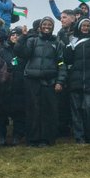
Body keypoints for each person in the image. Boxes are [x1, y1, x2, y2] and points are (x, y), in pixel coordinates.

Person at [16, 17, 66, 147]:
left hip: (49, 81)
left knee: (48, 111)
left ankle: (46, 139)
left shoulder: (58, 43)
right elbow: (21, 53)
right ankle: (32, 139)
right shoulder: (32, 40)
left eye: (50, 24)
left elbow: (61, 63)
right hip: (31, 80)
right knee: (33, 110)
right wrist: (23, 37)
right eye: (45, 24)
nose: (47, 26)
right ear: (40, 27)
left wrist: (60, 81)